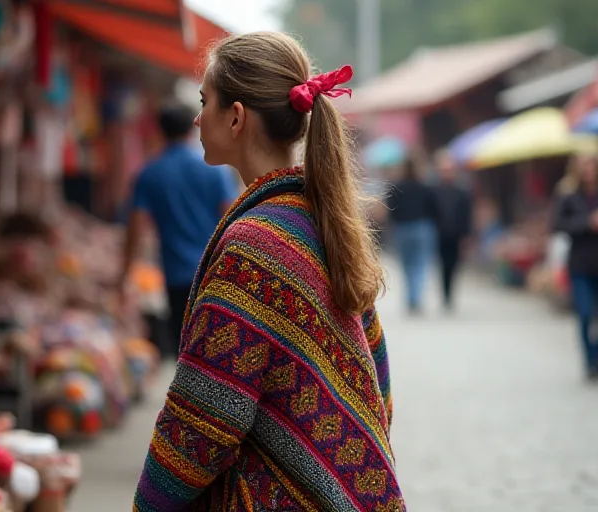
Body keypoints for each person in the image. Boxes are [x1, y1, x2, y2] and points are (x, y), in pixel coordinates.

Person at [133, 32, 403, 511]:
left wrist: (148, 503)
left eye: (205, 101)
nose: (197, 117)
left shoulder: (254, 247)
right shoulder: (315, 222)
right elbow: (376, 380)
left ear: (235, 117)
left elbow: (205, 419)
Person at [120, 102, 239, 359]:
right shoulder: (216, 170)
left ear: (160, 131)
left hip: (175, 276)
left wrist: (125, 276)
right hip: (215, 274)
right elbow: (232, 220)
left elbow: (136, 230)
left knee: (185, 353)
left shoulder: (150, 174)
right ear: (191, 128)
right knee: (218, 355)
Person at [552, 150, 598, 381]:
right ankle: (591, 362)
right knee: (585, 315)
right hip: (581, 264)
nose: (588, 171)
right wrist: (587, 223)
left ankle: (597, 352)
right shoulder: (568, 194)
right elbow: (558, 224)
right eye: (584, 166)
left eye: (592, 166)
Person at [385, 156, 438, 314]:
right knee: (420, 264)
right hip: (422, 227)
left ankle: (411, 298)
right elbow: (434, 208)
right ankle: (416, 297)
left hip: (402, 228)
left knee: (407, 264)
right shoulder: (425, 187)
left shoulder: (396, 187)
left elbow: (390, 208)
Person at [432, 150, 473, 311]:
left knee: (454, 265)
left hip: (456, 234)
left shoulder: (462, 192)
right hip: (440, 234)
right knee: (443, 264)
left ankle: (450, 293)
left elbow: (466, 215)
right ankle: (445, 294)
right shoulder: (434, 191)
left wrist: (467, 235)